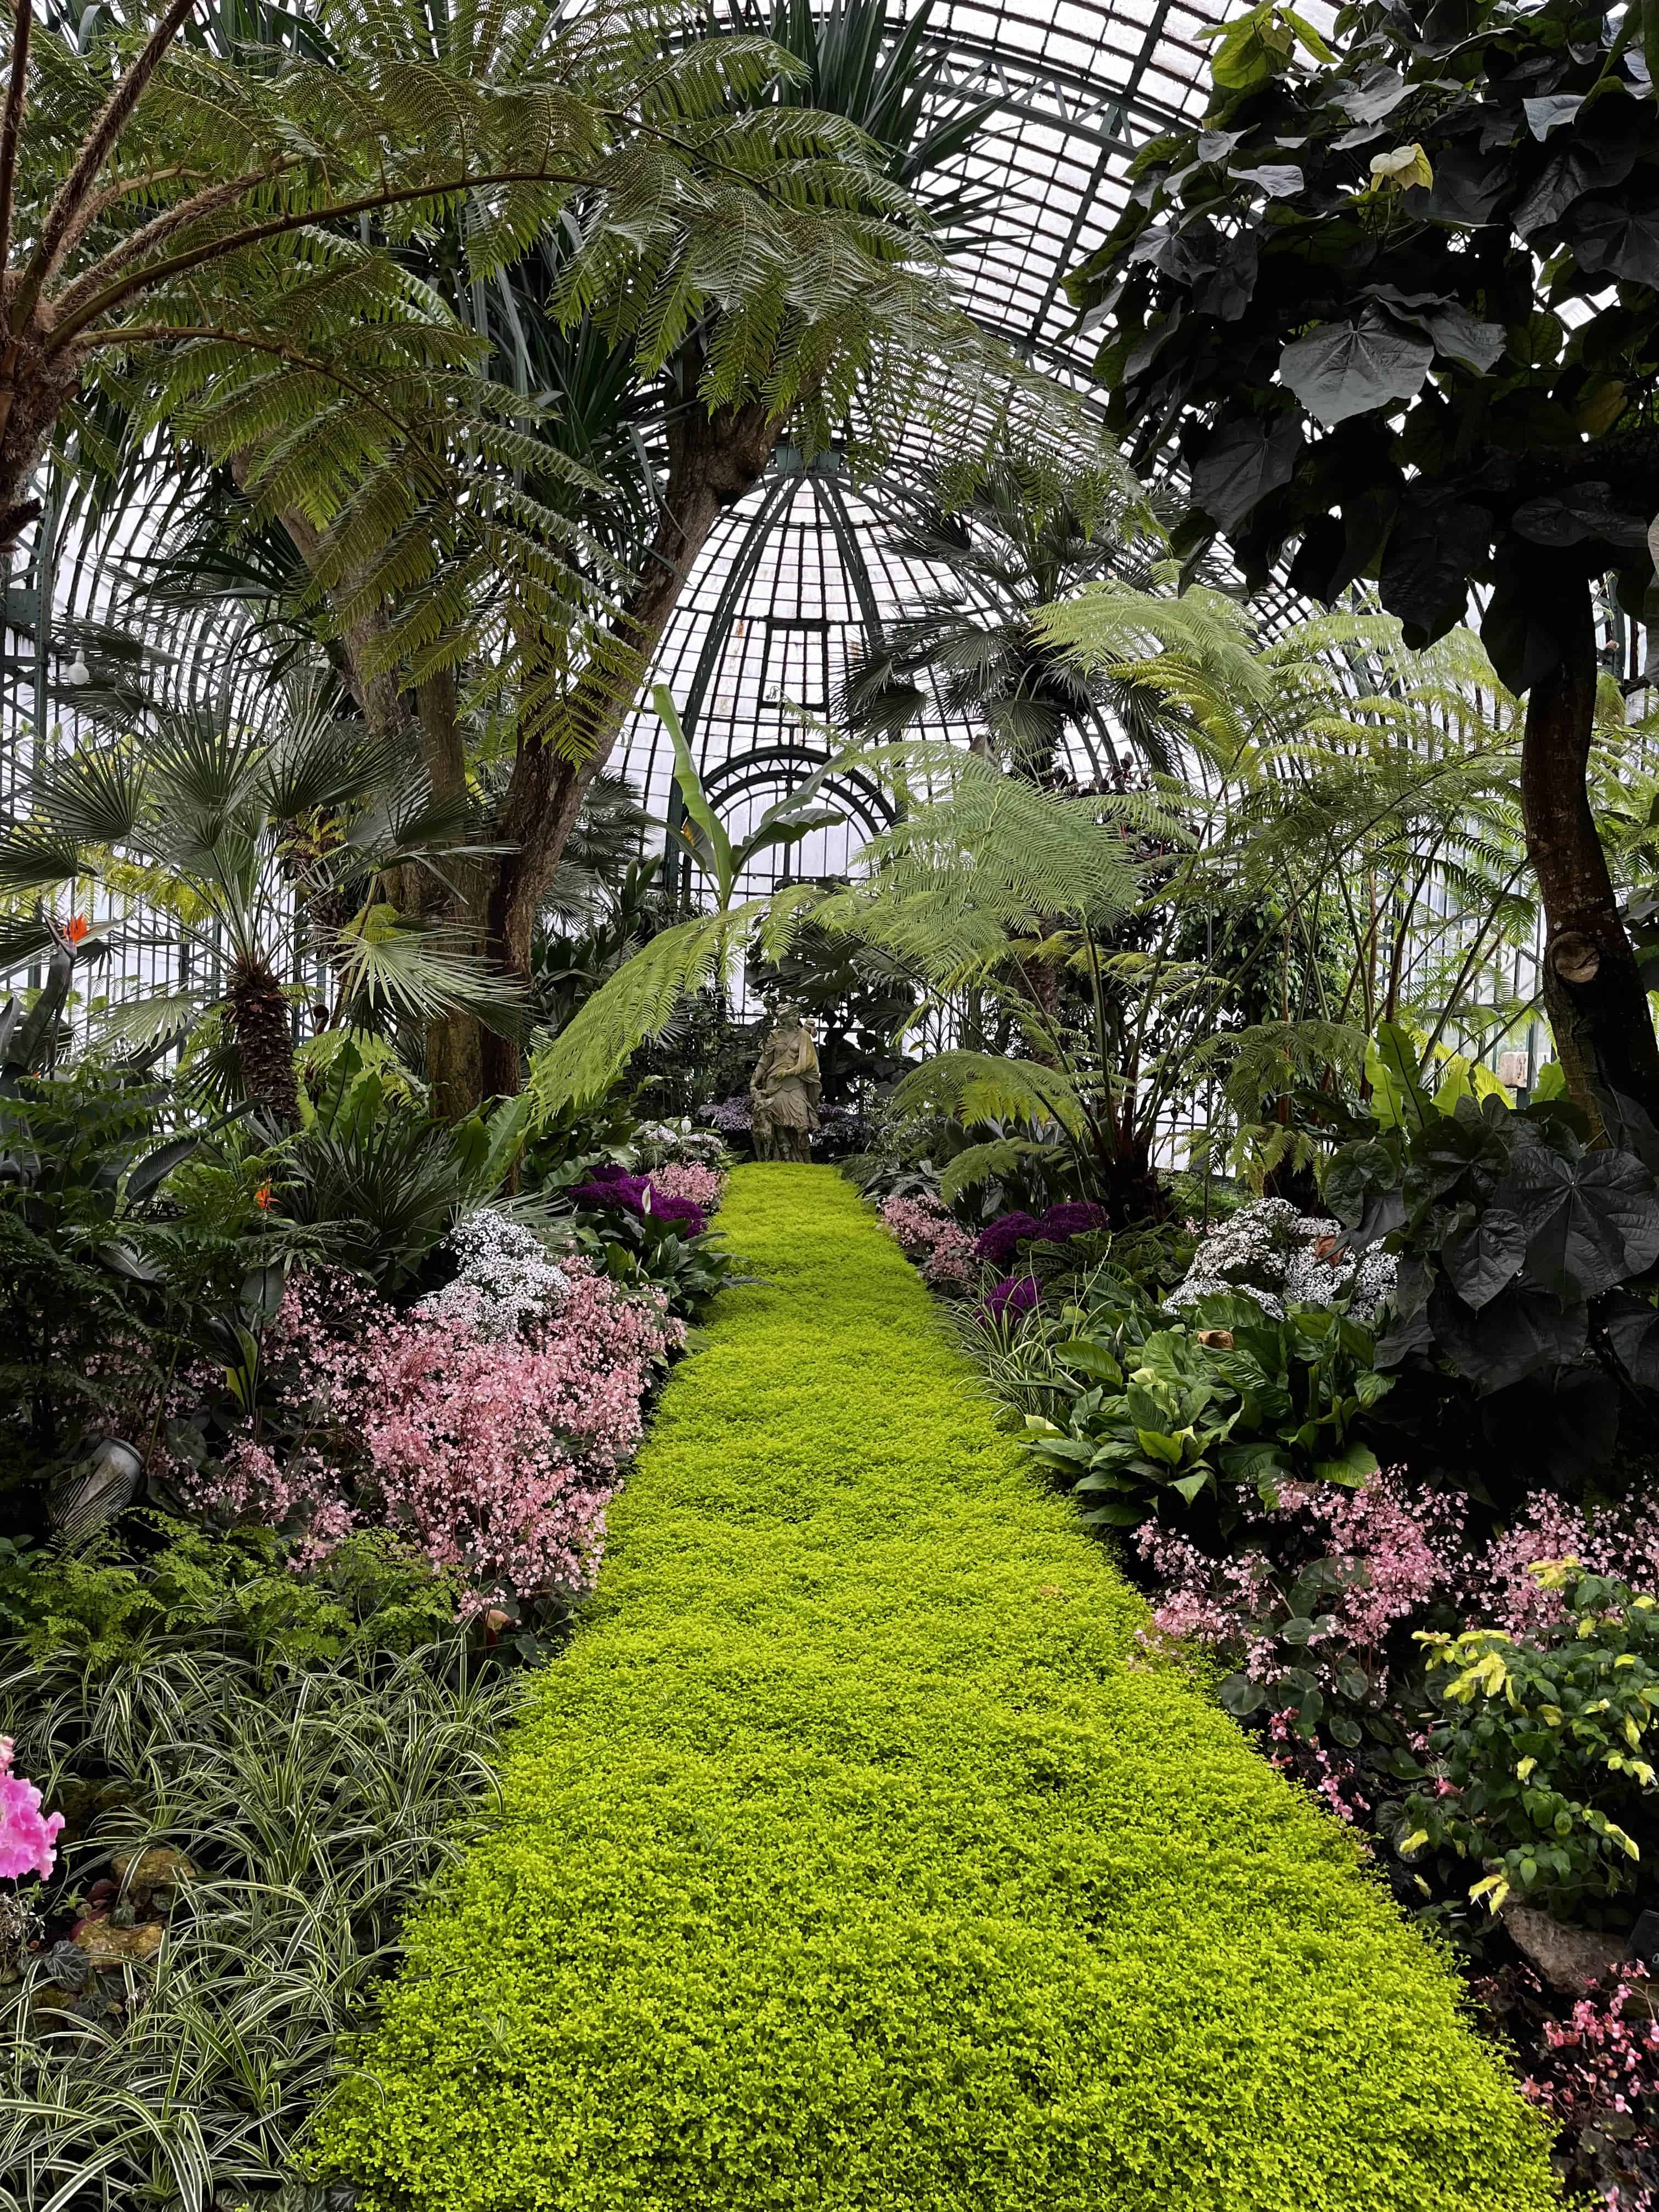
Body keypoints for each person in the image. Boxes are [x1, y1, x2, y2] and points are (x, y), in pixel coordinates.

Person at [749, 1004, 821, 1162]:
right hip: (775, 1085)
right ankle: (783, 1161)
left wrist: (788, 1072)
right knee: (780, 1126)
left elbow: (808, 1062)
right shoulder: (774, 1036)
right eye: (793, 1015)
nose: (796, 1018)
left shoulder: (804, 1036)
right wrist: (753, 1082)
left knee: (803, 1126)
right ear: (784, 1018)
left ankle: (806, 1160)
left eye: (797, 1015)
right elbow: (765, 1062)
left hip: (795, 1084)